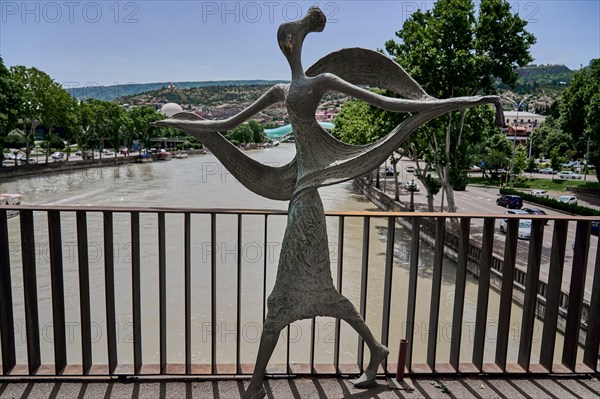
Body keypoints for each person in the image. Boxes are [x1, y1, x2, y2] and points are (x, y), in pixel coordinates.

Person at [154, 7, 503, 398]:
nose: (288, 48)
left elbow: (389, 104)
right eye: (283, 43)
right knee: (324, 295)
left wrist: (462, 101)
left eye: (291, 40)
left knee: (283, 298)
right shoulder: (279, 91)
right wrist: (183, 124)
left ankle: (256, 384)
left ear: (300, 43)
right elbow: (225, 125)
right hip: (300, 198)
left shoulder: (322, 81)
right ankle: (376, 350)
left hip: (308, 203)